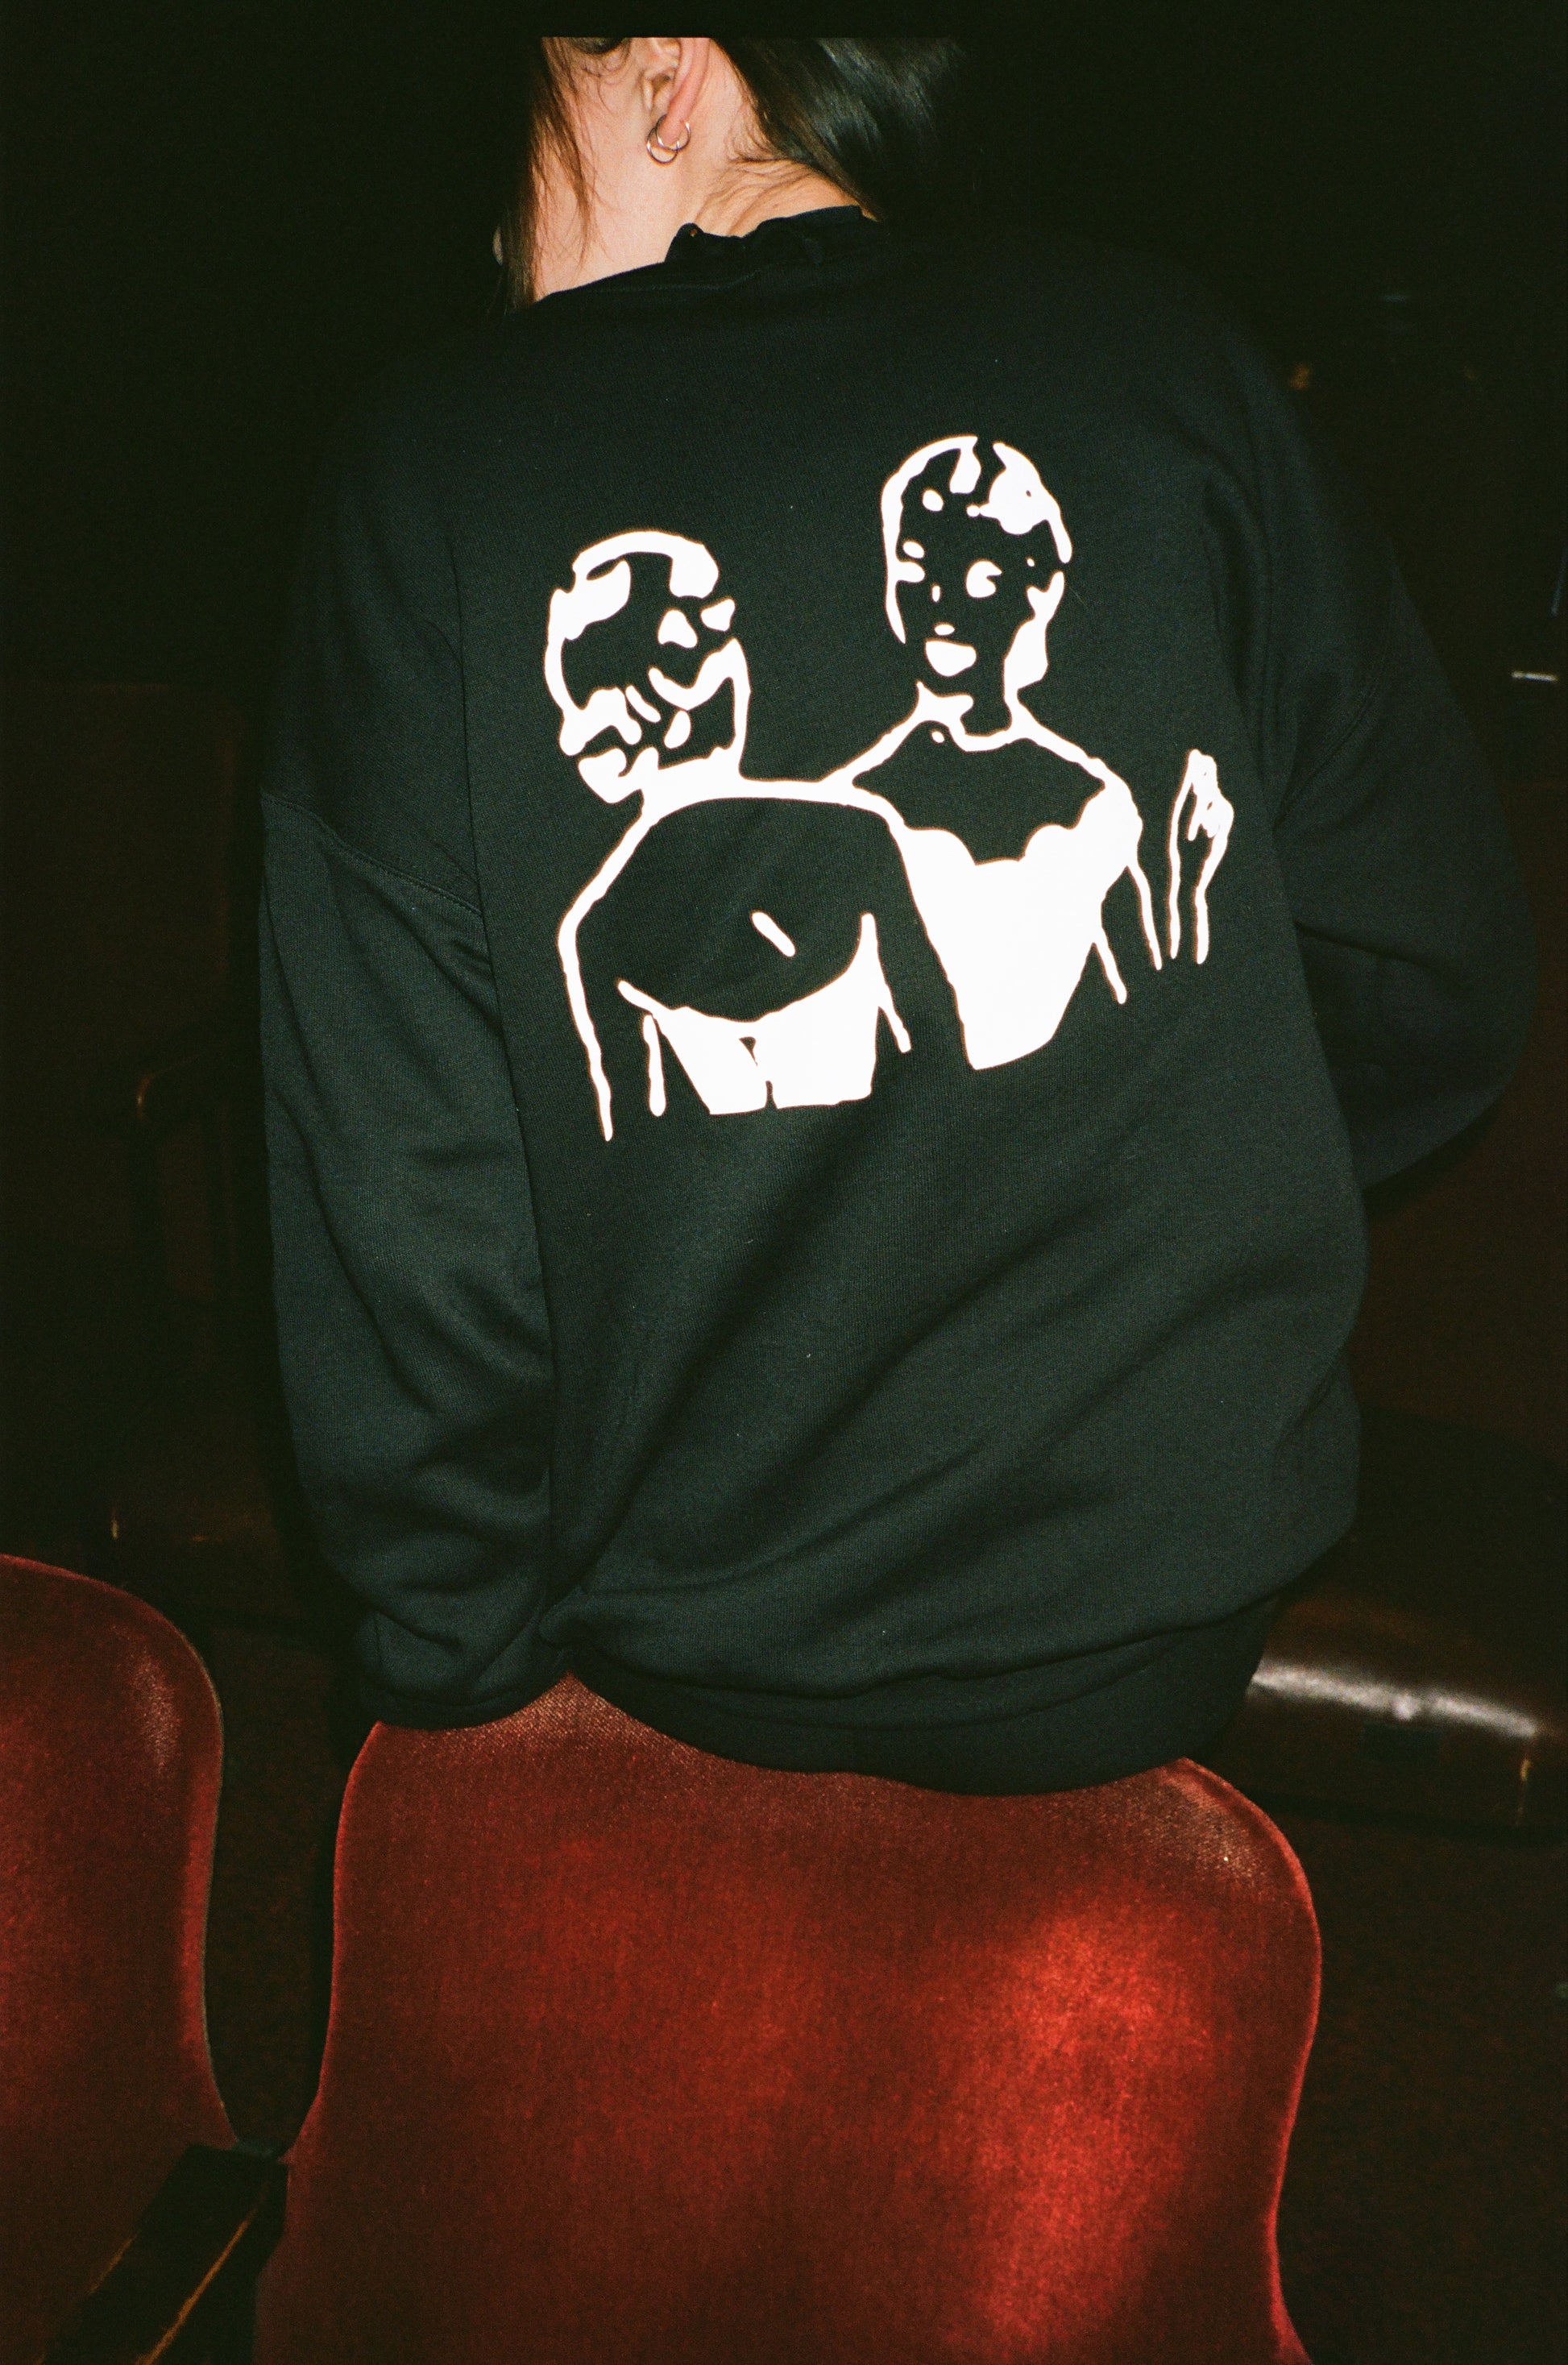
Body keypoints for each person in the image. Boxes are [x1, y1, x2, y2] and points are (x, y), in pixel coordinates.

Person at [259, 37, 1533, 1792]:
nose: (504, 249)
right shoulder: (1162, 356)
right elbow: (1437, 968)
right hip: (1166, 1598)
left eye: (514, 185)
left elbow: (409, 1204)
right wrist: (1206, 1167)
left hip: (689, 1639)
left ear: (654, 66)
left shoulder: (432, 470)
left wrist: (451, 1681)